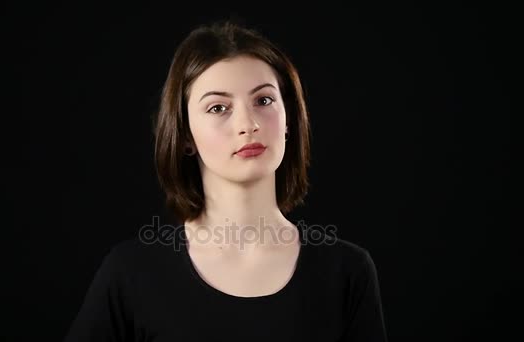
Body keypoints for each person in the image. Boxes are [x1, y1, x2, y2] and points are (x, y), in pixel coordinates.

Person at [63, 19, 388, 342]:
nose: (247, 124)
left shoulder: (345, 272)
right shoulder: (130, 274)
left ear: (288, 118)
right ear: (185, 134)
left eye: (263, 101)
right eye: (218, 107)